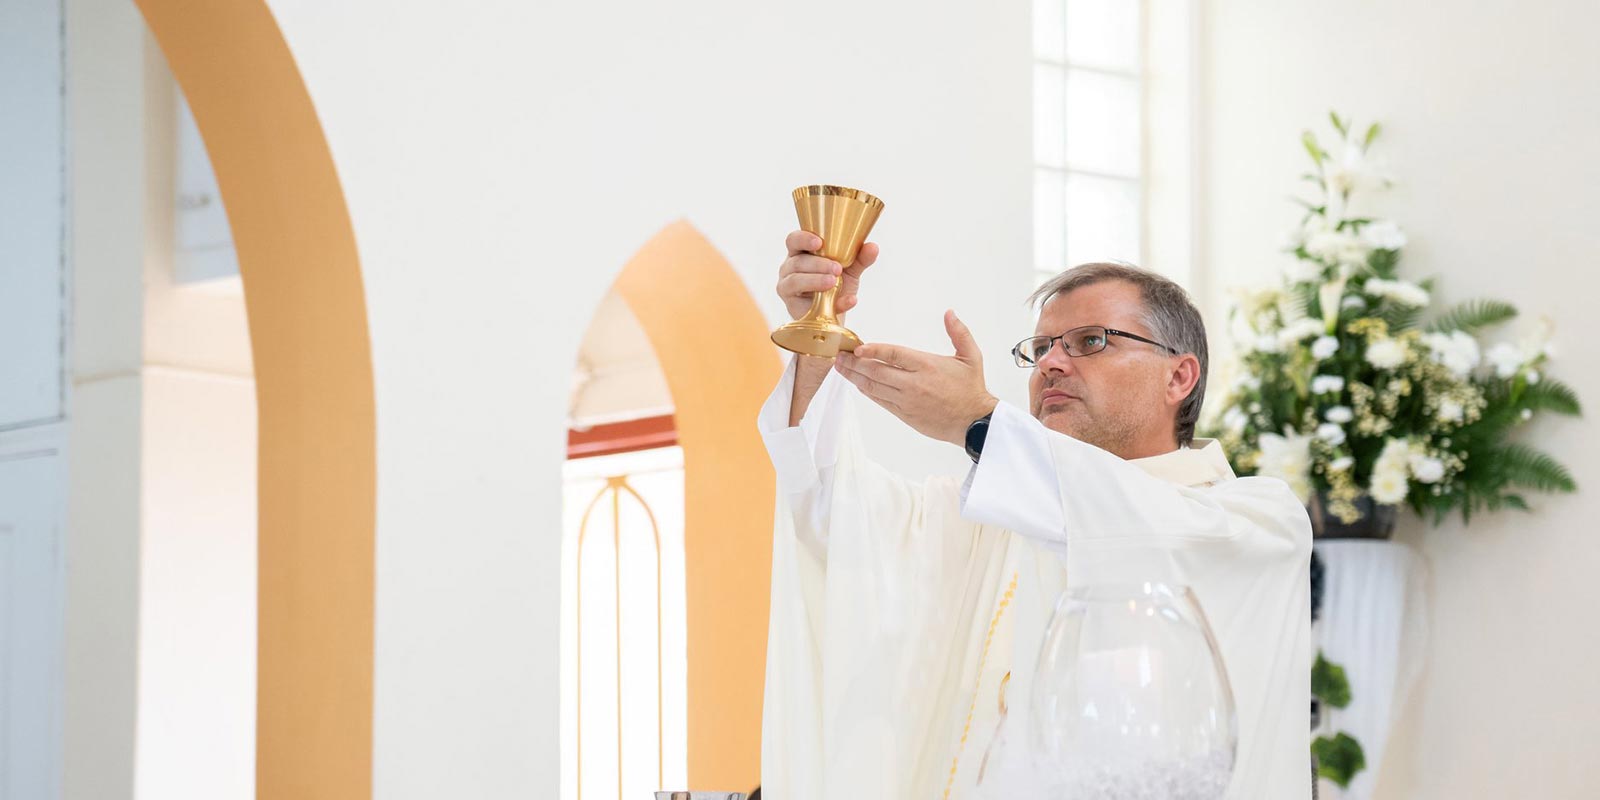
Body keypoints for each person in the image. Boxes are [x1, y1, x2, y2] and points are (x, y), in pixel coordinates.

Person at [757, 231, 1312, 799]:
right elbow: (834, 513)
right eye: (1040, 348)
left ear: (1179, 376)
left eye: (1090, 341)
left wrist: (978, 423)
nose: (1051, 363)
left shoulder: (1258, 522)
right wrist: (816, 339)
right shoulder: (989, 519)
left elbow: (1147, 534)